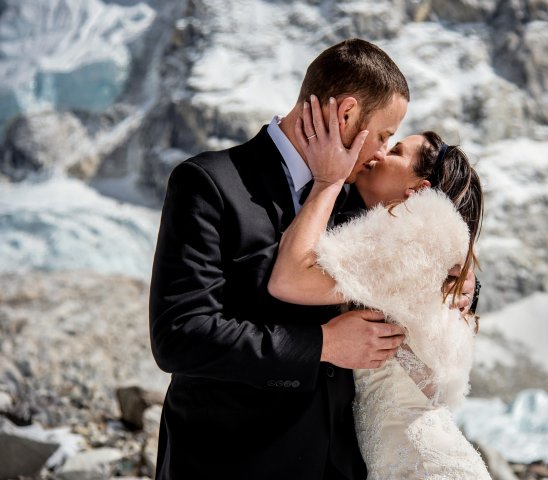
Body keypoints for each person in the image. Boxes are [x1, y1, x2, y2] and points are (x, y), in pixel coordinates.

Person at [148, 38, 477, 479]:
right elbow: (181, 334)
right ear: (345, 115)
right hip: (227, 462)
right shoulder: (210, 184)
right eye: (382, 135)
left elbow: (416, 259)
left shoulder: (359, 200)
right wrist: (324, 344)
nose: (381, 152)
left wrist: (465, 286)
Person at [268, 97, 491, 478]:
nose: (380, 152)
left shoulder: (410, 239)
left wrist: (328, 180)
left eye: (396, 149)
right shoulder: (414, 240)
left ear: (418, 191)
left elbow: (288, 279)